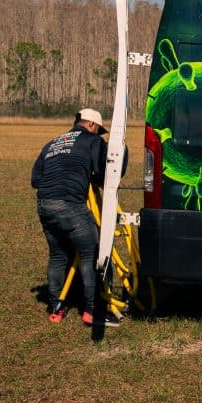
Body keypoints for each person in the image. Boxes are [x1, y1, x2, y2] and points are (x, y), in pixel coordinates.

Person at [31, 108, 118, 327]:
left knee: (58, 256)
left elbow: (35, 179)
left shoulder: (52, 143)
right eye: (98, 130)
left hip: (45, 204)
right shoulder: (92, 141)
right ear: (91, 125)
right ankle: (91, 310)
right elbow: (101, 172)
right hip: (70, 204)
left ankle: (55, 308)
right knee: (90, 253)